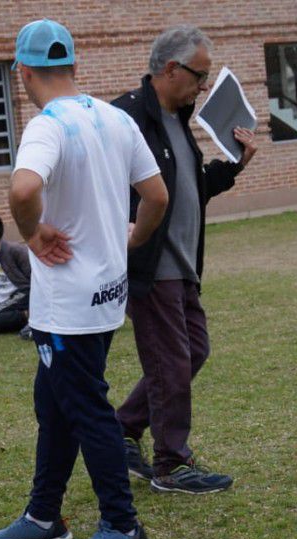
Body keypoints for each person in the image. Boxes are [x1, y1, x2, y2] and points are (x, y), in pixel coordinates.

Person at [0, 19, 169, 539]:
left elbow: (23, 188)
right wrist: (132, 236)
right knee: (55, 403)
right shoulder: (115, 116)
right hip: (107, 293)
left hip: (67, 305)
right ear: (73, 65)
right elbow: (156, 195)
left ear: (22, 72)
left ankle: (123, 524)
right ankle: (45, 515)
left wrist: (30, 232)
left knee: (85, 406)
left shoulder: (47, 126)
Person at [111, 25, 258, 494]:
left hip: (183, 266)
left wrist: (234, 165)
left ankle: (123, 429)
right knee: (171, 363)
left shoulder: (179, 119)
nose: (203, 86)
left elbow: (190, 190)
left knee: (193, 351)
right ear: (171, 69)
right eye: (199, 76)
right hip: (151, 266)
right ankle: (171, 465)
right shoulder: (126, 118)